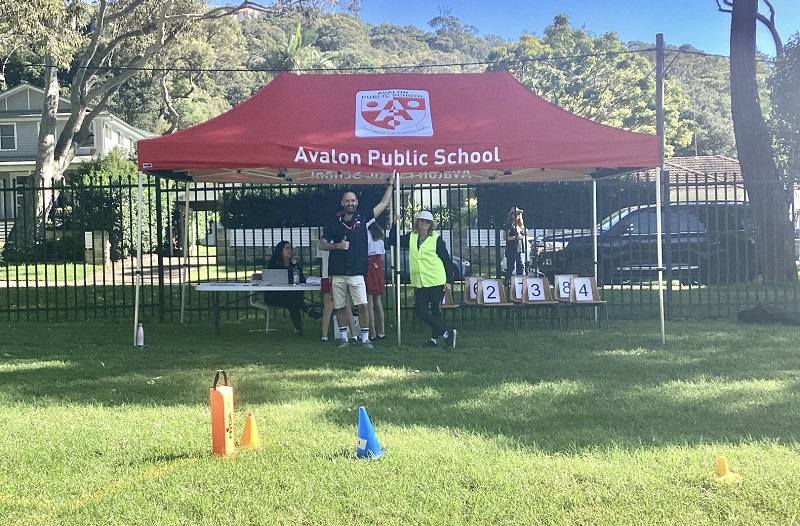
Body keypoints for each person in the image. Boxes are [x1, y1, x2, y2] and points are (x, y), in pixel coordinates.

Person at [319, 183, 394, 349]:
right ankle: (344, 338)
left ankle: (365, 338)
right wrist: (337, 246)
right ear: (342, 203)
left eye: (353, 200)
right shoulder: (334, 222)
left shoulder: (363, 217)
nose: (350, 203)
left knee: (362, 305)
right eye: (347, 201)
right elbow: (321, 244)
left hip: (358, 272)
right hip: (338, 271)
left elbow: (382, 204)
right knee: (339, 306)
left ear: (357, 202)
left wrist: (390, 185)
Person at [389, 210, 457, 348]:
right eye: (422, 221)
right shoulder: (412, 237)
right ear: (417, 222)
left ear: (431, 224)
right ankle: (446, 333)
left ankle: (434, 340)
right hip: (420, 280)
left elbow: (446, 261)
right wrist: (395, 224)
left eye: (427, 222)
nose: (424, 224)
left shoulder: (436, 239)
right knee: (420, 310)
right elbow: (392, 241)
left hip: (436, 279)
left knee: (436, 311)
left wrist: (449, 281)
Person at [263, 241, 322, 336]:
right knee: (293, 300)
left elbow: (301, 279)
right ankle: (307, 312)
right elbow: (270, 279)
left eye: (290, 248)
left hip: (289, 296)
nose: (290, 250)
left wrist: (294, 268)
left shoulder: (294, 263)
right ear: (281, 251)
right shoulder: (274, 262)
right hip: (274, 295)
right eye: (287, 248)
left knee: (292, 301)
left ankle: (299, 328)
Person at [317, 239, 357, 343]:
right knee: (345, 305)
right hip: (336, 274)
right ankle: (354, 335)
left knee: (329, 307)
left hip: (329, 274)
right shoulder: (340, 242)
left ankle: (324, 336)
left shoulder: (322, 242)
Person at [365, 219, 387, 341]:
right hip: (378, 268)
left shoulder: (366, 234)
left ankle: (372, 332)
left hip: (368, 267)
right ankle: (382, 331)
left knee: (369, 301)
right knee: (378, 302)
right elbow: (382, 257)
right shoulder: (380, 237)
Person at [505, 206, 527, 282]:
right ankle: (507, 281)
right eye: (514, 214)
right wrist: (515, 237)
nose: (516, 215)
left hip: (519, 248)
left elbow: (523, 234)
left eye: (518, 214)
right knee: (510, 266)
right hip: (511, 248)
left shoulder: (520, 225)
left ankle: (521, 281)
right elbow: (505, 237)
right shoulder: (508, 225)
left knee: (521, 265)